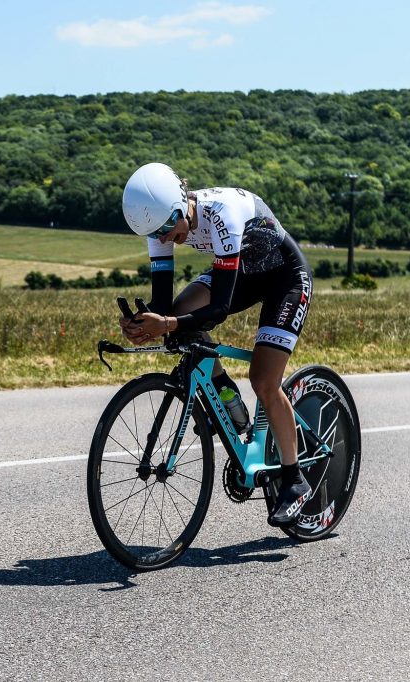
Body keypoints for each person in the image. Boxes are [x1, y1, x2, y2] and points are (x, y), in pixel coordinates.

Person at [120, 162, 314, 527]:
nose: (163, 238)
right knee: (177, 319)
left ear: (182, 203)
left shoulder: (222, 213)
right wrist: (146, 325)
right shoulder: (159, 222)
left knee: (264, 380)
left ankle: (294, 479)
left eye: (167, 228)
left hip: (283, 278)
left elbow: (220, 307)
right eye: (154, 234)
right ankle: (227, 396)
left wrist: (168, 323)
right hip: (241, 272)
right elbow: (165, 308)